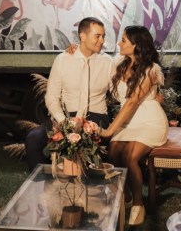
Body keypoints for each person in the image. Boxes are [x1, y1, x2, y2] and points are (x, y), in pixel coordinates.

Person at [24, 17, 114, 171]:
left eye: (103, 36)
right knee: (33, 138)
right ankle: (43, 186)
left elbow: (119, 92)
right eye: (97, 36)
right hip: (66, 116)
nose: (102, 41)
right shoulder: (63, 60)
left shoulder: (107, 62)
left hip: (96, 116)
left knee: (83, 140)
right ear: (83, 36)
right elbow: (52, 97)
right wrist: (63, 121)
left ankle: (87, 183)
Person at [100, 25, 168, 226]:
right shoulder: (120, 63)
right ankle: (127, 196)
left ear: (136, 45)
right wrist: (73, 48)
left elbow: (132, 102)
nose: (119, 44)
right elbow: (96, 60)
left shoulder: (151, 70)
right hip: (129, 121)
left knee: (130, 156)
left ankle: (139, 204)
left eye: (123, 41)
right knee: (113, 152)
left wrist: (110, 130)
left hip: (149, 120)